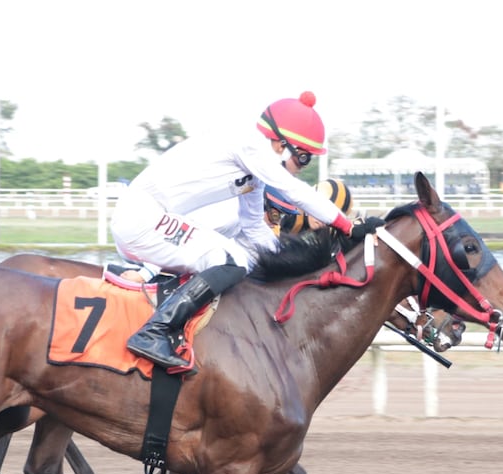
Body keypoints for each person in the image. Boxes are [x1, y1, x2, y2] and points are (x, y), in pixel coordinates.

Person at [110, 91, 354, 373]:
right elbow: (292, 190)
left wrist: (295, 267)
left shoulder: (254, 174)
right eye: (302, 158)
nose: (301, 168)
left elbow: (253, 228)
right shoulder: (250, 146)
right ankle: (155, 331)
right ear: (280, 144)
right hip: (142, 217)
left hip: (152, 219)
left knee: (243, 259)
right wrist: (347, 225)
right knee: (231, 260)